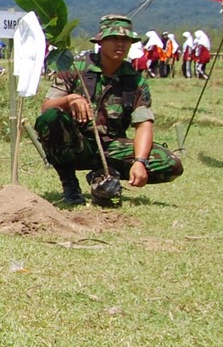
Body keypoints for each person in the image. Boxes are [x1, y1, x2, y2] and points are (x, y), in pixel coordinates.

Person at [35, 14, 184, 207]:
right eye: (114, 39)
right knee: (50, 118)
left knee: (171, 164)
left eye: (125, 40)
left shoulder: (135, 81)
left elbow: (144, 124)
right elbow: (46, 107)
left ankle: (105, 174)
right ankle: (69, 184)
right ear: (101, 41)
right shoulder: (76, 68)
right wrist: (70, 99)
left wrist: (139, 162)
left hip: (112, 147)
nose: (120, 44)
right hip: (76, 145)